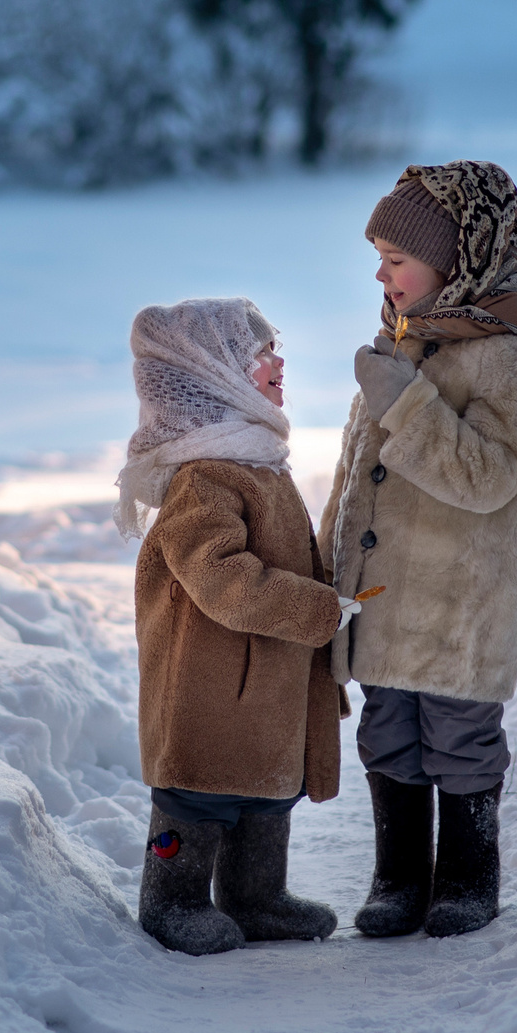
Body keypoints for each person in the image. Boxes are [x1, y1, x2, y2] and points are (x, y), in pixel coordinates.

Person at [323, 162, 517, 939]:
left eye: (397, 258)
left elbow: (489, 474)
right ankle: (398, 877)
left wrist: (406, 400)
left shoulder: (507, 349)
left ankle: (466, 872)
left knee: (458, 735)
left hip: (462, 598)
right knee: (386, 726)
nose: (381, 274)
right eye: (380, 259)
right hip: (388, 590)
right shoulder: (413, 332)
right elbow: (361, 466)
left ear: (455, 257)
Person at [117, 297, 359, 955]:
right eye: (255, 353)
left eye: (274, 347)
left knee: (263, 799)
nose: (276, 361)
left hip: (264, 691)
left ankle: (256, 896)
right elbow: (223, 581)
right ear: (212, 376)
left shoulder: (256, 458)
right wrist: (318, 609)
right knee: (198, 798)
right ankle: (173, 898)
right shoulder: (203, 476)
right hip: (210, 692)